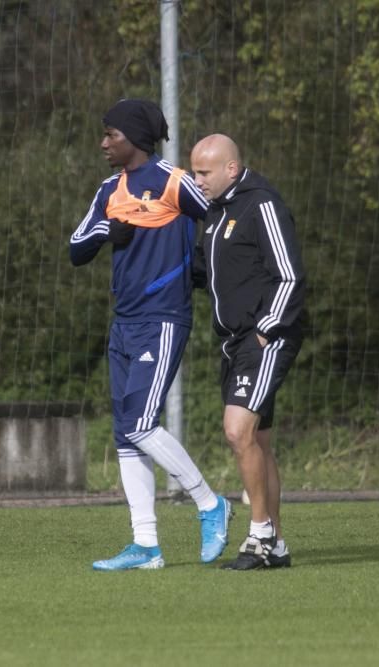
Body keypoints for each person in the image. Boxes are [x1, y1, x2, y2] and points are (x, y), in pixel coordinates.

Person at [70, 99, 232, 571]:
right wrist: (107, 232)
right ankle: (146, 545)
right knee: (126, 434)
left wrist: (202, 266)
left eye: (111, 135)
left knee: (140, 423)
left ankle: (209, 503)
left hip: (164, 317)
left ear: (136, 138)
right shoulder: (109, 190)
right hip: (125, 321)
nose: (103, 143)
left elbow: (221, 217)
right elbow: (76, 249)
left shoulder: (175, 181)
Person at [190, 133, 306, 570]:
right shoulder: (215, 214)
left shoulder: (262, 205)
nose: (197, 180)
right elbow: (208, 274)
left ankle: (258, 536)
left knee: (237, 430)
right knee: (257, 439)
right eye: (194, 171)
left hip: (267, 336)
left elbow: (290, 277)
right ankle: (275, 544)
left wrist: (265, 330)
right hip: (233, 341)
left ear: (231, 169)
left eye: (204, 172)